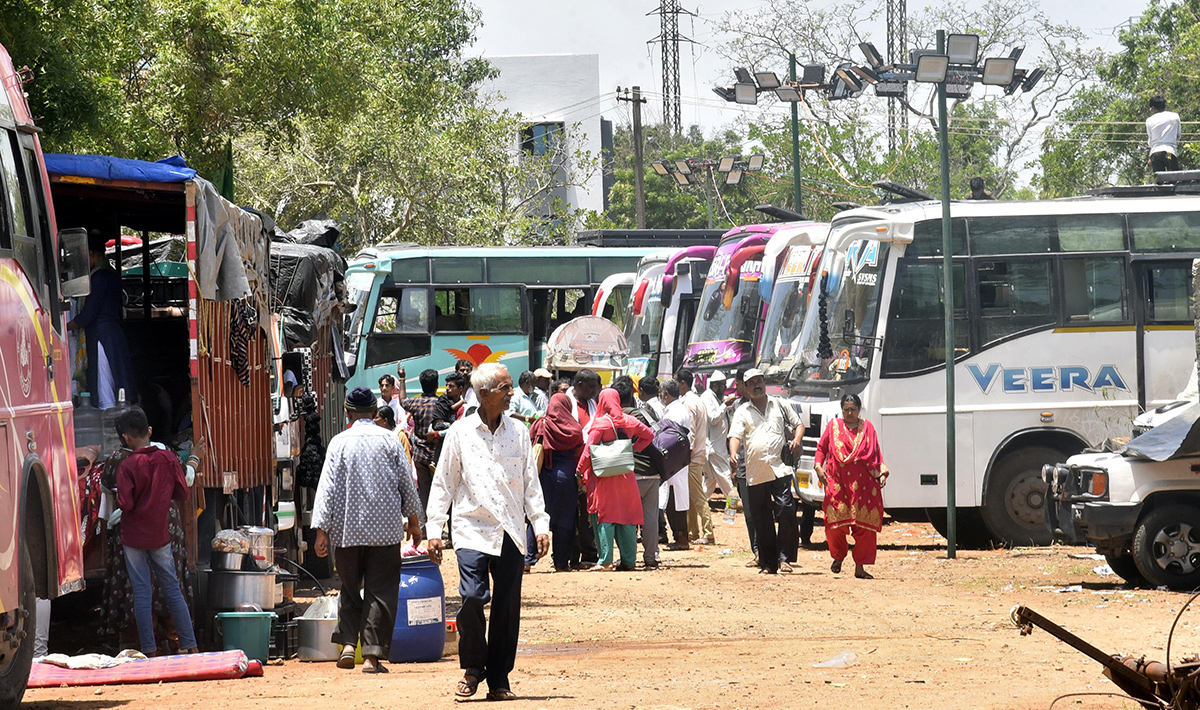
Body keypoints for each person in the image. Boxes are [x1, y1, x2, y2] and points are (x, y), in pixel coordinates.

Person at [427, 364, 550, 702]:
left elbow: (530, 482)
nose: (512, 393)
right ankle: (472, 667)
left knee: (507, 607)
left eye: (511, 387)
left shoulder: (519, 433)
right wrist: (434, 527)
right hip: (471, 529)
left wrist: (539, 523)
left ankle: (498, 678)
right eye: (505, 388)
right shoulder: (460, 433)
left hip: (510, 528)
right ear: (484, 394)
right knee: (471, 598)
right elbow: (444, 483)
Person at [312, 386, 422, 673]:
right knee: (381, 592)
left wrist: (321, 530)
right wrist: (413, 522)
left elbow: (326, 489)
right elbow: (406, 484)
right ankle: (371, 657)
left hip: (346, 533)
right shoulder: (390, 440)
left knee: (349, 589)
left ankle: (349, 645)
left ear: (348, 413)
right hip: (385, 534)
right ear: (375, 413)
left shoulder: (338, 442)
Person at [113, 407, 197, 655]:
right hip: (160, 534)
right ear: (148, 431)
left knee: (141, 592)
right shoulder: (168, 459)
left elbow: (125, 504)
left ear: (126, 437)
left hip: (133, 537)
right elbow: (182, 493)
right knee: (172, 588)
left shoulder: (127, 467)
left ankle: (148, 650)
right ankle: (190, 644)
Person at [728, 369, 803, 575]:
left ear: (764, 382)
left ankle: (785, 559)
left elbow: (799, 424)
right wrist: (733, 453)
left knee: (786, 510)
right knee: (761, 518)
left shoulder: (780, 403)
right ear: (745, 387)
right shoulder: (742, 411)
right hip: (755, 471)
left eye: (759, 381)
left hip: (780, 468)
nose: (756, 385)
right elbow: (734, 435)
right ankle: (768, 563)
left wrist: (796, 439)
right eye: (751, 382)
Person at [578, 388, 654, 571]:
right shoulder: (629, 421)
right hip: (625, 476)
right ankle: (629, 561)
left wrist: (579, 471)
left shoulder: (601, 424)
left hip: (604, 477)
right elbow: (650, 435)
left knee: (604, 516)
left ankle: (605, 560)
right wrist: (632, 450)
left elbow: (588, 451)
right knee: (627, 517)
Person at [814, 393, 887, 580]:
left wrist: (882, 473)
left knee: (864, 529)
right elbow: (821, 449)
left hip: (864, 487)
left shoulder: (868, 428)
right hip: (838, 485)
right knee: (834, 525)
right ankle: (838, 556)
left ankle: (860, 567)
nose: (849, 413)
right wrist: (818, 467)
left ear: (859, 409)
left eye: (852, 409)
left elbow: (876, 453)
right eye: (846, 410)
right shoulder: (833, 427)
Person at [69, 231, 137, 408]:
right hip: (113, 334)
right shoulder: (111, 274)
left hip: (102, 337)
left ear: (91, 253)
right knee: (117, 379)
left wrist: (66, 325)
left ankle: (108, 420)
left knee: (104, 383)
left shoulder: (99, 277)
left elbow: (88, 315)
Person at [528, 393, 585, 572]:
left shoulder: (541, 423)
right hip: (567, 476)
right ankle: (561, 562)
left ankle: (528, 560)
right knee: (565, 519)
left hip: (544, 476)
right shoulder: (574, 428)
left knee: (537, 515)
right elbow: (578, 451)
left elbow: (531, 442)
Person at [615, 377, 662, 569]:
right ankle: (650, 557)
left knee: (627, 518)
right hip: (652, 472)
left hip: (629, 473)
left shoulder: (615, 417)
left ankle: (628, 558)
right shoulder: (646, 412)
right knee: (650, 517)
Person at [567, 370, 601, 568]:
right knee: (571, 513)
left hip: (589, 468)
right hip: (571, 465)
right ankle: (572, 554)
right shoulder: (566, 403)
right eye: (590, 387)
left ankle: (589, 553)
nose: (594, 392)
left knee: (587, 511)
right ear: (579, 385)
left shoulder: (592, 404)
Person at [401, 369, 443, 529]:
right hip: (436, 456)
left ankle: (423, 526)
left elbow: (402, 400)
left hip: (419, 454)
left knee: (423, 492)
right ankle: (437, 529)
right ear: (436, 385)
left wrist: (403, 378)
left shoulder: (415, 403)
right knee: (439, 493)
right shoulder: (440, 403)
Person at [675, 369, 711, 545]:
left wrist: (686, 452)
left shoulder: (688, 403)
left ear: (683, 383)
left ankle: (708, 532)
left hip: (692, 456)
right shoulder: (698, 400)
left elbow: (690, 432)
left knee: (697, 495)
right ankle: (693, 531)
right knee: (690, 495)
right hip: (698, 453)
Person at [658, 379, 691, 550]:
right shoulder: (673, 409)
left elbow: (672, 439)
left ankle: (681, 539)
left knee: (674, 501)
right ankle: (679, 537)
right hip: (675, 464)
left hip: (675, 463)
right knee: (672, 500)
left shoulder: (676, 411)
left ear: (666, 394)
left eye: (660, 392)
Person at [701, 371, 736, 504]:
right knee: (725, 476)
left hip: (719, 445)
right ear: (715, 385)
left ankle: (700, 504)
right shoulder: (707, 398)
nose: (724, 388)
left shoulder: (716, 397)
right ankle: (733, 504)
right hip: (714, 446)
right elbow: (713, 419)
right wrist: (724, 405)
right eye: (722, 386)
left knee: (710, 479)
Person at [1147, 95, 1181, 173]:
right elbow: (1178, 135)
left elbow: (1150, 141)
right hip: (1170, 151)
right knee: (1174, 178)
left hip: (1156, 153)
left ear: (1153, 108)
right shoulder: (1175, 116)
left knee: (1159, 181)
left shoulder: (1149, 120)